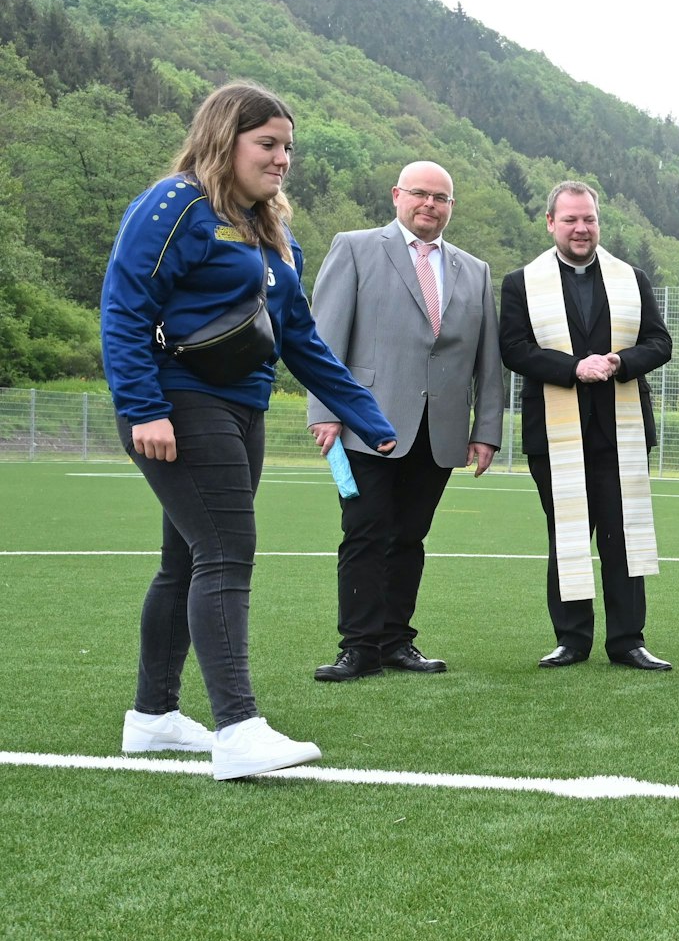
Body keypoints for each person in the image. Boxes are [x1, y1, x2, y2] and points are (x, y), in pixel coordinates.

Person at [100, 81, 397, 780]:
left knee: (186, 561)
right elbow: (124, 304)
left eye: (288, 146)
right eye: (267, 143)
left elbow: (300, 337)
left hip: (242, 408)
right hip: (180, 401)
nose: (282, 158)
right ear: (223, 138)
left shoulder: (275, 233)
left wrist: (365, 415)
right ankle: (237, 729)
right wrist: (144, 407)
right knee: (226, 552)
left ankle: (153, 717)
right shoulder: (175, 204)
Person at [307, 160, 503, 683]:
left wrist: (486, 430)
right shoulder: (354, 248)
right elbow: (324, 340)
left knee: (410, 537)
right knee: (365, 533)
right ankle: (358, 648)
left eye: (440, 198)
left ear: (451, 207)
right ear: (397, 195)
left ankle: (395, 640)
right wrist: (325, 411)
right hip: (364, 425)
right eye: (420, 193)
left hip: (439, 432)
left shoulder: (475, 270)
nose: (429, 204)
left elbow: (488, 360)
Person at [498, 181, 674, 671]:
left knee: (624, 534)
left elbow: (660, 343)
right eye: (571, 219)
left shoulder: (631, 278)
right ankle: (571, 640)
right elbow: (513, 349)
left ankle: (628, 641)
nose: (581, 228)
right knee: (567, 534)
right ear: (550, 223)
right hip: (554, 432)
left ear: (599, 222)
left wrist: (620, 361)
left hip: (621, 431)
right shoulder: (521, 282)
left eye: (589, 219)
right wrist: (573, 368)